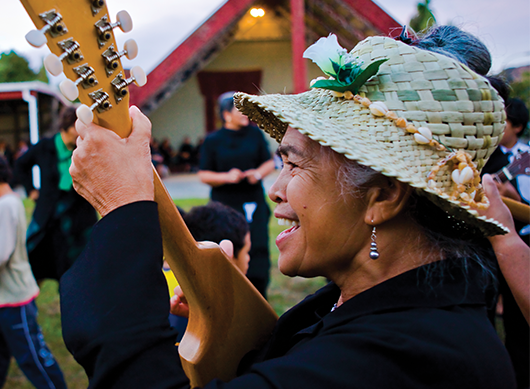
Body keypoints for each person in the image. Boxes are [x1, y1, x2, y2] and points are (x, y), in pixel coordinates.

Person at [59, 26, 516, 388]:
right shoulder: (397, 310)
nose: (275, 190)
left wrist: (122, 209)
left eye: (294, 165)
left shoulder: (408, 358)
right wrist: (224, 317)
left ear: (383, 197)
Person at [0, 150, 68, 389]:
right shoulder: (2, 204)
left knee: (33, 358)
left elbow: (0, 252)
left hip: (13, 302)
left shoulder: (7, 205)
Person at [198, 91, 276, 298]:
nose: (245, 114)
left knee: (257, 246)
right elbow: (203, 174)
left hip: (253, 203)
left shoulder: (255, 134)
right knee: (227, 245)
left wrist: (257, 174)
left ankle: (259, 294)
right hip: (225, 204)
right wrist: (226, 177)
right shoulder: (213, 140)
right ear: (226, 114)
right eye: (239, 110)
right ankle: (228, 294)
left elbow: (269, 162)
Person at [15, 105, 97, 283]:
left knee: (74, 265)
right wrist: (31, 190)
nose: (82, 133)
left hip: (77, 216)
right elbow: (21, 165)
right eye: (78, 129)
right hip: (49, 215)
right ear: (66, 128)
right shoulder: (45, 147)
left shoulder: (86, 148)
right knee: (39, 258)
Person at [481, 97, 530, 388]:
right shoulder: (488, 154)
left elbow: (524, 210)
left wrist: (510, 196)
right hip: (486, 248)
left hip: (518, 241)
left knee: (518, 323)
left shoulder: (524, 157)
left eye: (504, 121)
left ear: (518, 127)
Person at [165, 202, 251, 340]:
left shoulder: (160, 276)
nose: (248, 259)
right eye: (247, 252)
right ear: (228, 256)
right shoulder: (221, 302)